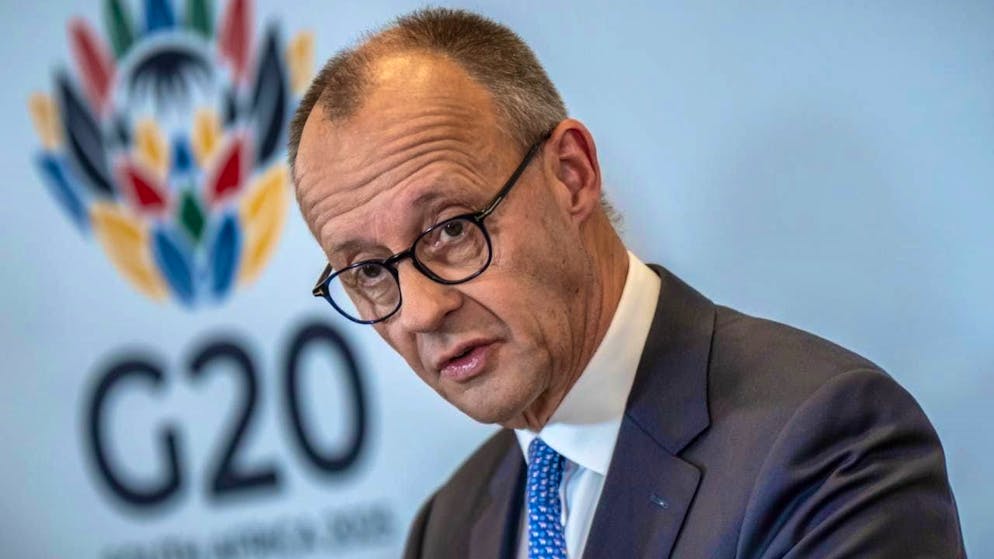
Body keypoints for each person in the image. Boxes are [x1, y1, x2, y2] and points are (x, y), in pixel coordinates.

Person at [287, 8, 964, 558]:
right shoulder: (448, 529)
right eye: (370, 270)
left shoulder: (823, 446)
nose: (425, 310)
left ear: (572, 174)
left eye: (453, 229)